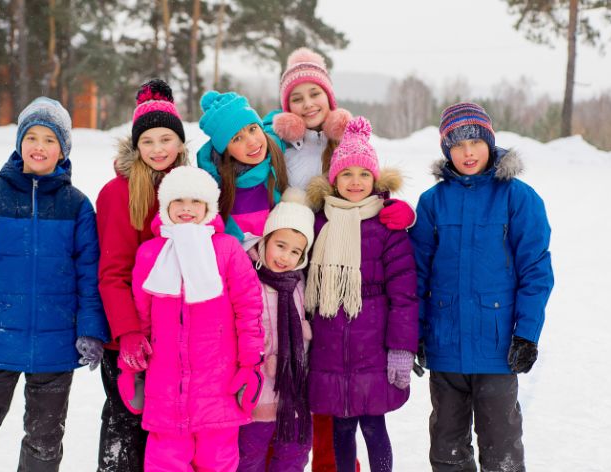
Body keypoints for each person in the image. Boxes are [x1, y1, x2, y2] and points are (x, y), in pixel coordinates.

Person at [0, 97, 110, 471]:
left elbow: (89, 276)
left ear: (62, 149)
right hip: (0, 337)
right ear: (19, 144)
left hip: (55, 344)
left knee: (45, 437)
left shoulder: (76, 206)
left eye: (49, 139)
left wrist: (91, 331)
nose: (39, 147)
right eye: (31, 137)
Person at [410, 102, 554, 472]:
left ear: (489, 142)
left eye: (475, 141)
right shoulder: (431, 203)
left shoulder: (517, 198)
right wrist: (418, 333)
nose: (468, 151)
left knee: (501, 451)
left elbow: (536, 272)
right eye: (457, 144)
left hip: (498, 351)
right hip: (446, 348)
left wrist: (527, 334)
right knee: (447, 452)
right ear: (446, 150)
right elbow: (417, 275)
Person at [117, 165, 265, 471]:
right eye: (179, 201)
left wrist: (251, 363)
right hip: (166, 386)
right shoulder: (150, 254)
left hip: (219, 384)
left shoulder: (226, 250)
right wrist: (132, 367)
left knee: (217, 461)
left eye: (196, 202)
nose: (187, 209)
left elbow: (249, 307)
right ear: (166, 205)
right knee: (164, 461)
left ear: (209, 208)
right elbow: (141, 317)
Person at [305, 116, 418, 472]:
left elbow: (404, 294)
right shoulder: (319, 221)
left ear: (375, 180)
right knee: (340, 426)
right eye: (347, 174)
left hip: (373, 345)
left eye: (364, 175)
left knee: (373, 425)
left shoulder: (387, 225)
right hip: (328, 344)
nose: (356, 182)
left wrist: (401, 349)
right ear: (334, 179)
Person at [94, 78, 188, 471]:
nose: (158, 149)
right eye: (147, 142)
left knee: (164, 433)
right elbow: (112, 272)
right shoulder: (118, 193)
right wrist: (127, 333)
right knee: (124, 427)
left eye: (166, 139)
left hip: (173, 333)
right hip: (129, 338)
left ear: (181, 143)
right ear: (136, 147)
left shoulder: (188, 189)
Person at [264, 47, 415, 232]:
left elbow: (368, 186)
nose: (308, 104)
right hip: (294, 251)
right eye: (297, 99)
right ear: (288, 109)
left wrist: (399, 210)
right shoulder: (280, 148)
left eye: (314, 94)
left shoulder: (350, 144)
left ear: (329, 97)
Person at [237, 188, 316, 472]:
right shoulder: (248, 279)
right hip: (257, 392)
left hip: (294, 392)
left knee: (293, 456)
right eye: (280, 245)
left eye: (296, 251)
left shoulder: (301, 283)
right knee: (250, 456)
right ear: (266, 239)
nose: (285, 257)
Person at [196, 90, 289, 250]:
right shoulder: (215, 186)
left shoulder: (277, 152)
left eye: (253, 129)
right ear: (226, 151)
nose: (252, 142)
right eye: (237, 138)